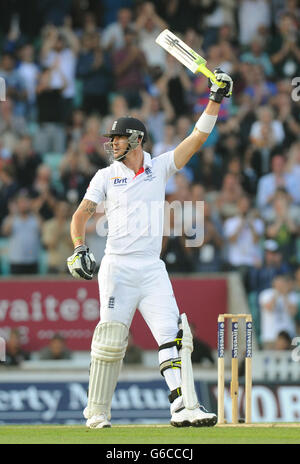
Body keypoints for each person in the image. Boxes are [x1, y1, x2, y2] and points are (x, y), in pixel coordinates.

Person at [67, 68, 233, 428]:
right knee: (111, 341)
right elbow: (80, 215)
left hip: (152, 268)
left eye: (118, 138)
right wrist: (79, 247)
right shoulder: (105, 176)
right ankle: (96, 412)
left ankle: (184, 406)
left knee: (174, 335)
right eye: (110, 139)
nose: (112, 144)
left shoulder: (159, 168)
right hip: (117, 267)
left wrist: (215, 99)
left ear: (136, 140)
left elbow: (196, 138)